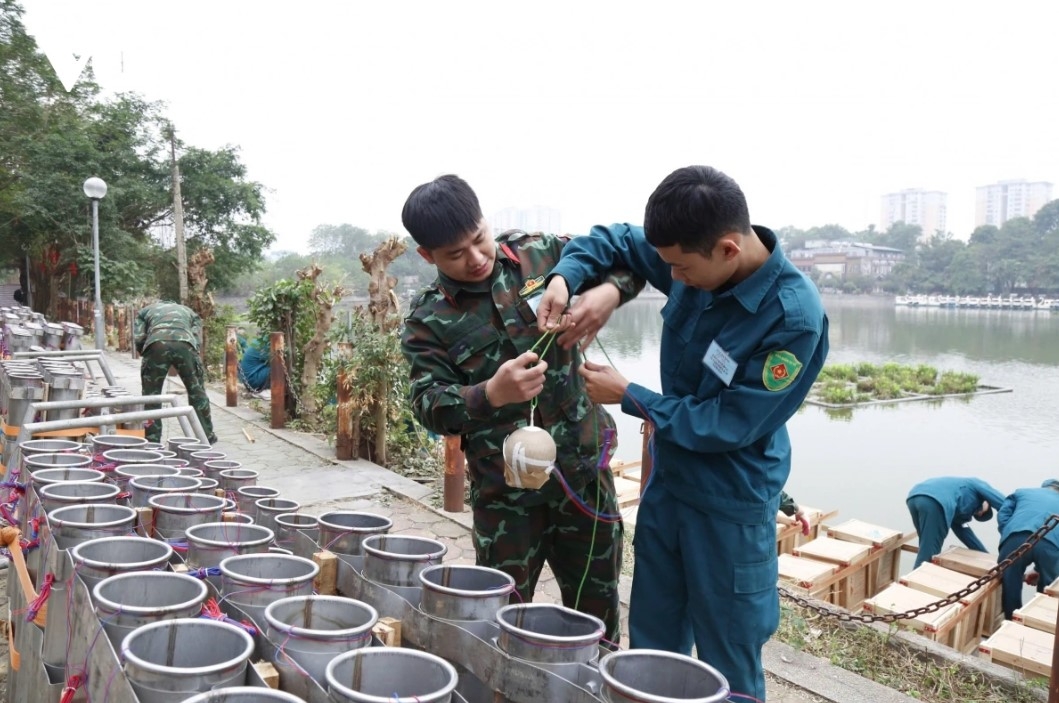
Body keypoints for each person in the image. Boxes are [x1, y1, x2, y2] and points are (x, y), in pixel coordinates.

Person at [535, 165, 829, 700]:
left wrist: (632, 396)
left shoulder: (791, 318)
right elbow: (614, 240)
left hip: (729, 507)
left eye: (681, 268)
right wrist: (567, 278)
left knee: (728, 659)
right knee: (654, 642)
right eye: (666, 265)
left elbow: (730, 422)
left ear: (727, 249)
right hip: (669, 488)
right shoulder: (691, 259)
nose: (672, 277)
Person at [399, 174, 643, 644]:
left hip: (582, 477)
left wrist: (606, 294)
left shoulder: (544, 254)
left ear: (486, 222)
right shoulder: (427, 319)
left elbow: (632, 260)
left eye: (479, 240)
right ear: (427, 256)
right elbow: (427, 406)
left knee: (598, 617)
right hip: (505, 496)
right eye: (455, 254)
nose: (475, 259)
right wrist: (490, 393)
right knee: (500, 620)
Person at [134, 301, 217, 444]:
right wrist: (193, 350)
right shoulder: (188, 311)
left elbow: (139, 337)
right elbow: (197, 334)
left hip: (156, 344)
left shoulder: (145, 311)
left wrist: (145, 352)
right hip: (185, 343)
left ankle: (152, 440)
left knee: (151, 396)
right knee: (196, 391)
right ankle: (206, 435)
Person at [905, 476, 1005, 568]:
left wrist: (986, 556)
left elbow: (966, 535)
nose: (978, 512)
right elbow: (1005, 503)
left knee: (926, 545)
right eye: (982, 511)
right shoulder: (975, 484)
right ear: (987, 502)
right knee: (930, 551)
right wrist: (1015, 511)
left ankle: (913, 580)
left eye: (977, 515)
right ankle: (913, 584)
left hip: (915, 497)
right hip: (936, 501)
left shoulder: (959, 510)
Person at [996, 479, 1059, 619]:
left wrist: (1009, 532)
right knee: (1049, 589)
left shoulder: (1022, 492)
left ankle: (1011, 620)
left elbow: (1003, 513)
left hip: (1016, 537)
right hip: (1052, 544)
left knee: (1010, 581)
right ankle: (1038, 623)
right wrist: (1040, 569)